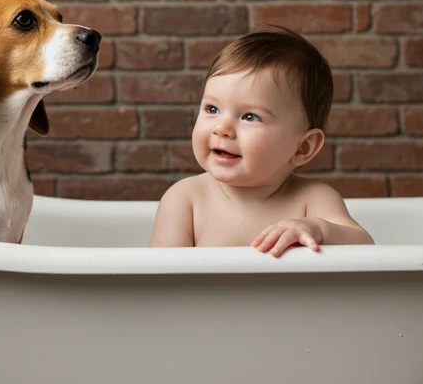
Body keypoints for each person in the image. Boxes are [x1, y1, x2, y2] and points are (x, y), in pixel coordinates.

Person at [148, 28, 374, 256]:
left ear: (303, 147)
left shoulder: (313, 198)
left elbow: (365, 247)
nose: (222, 129)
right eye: (212, 109)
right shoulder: (186, 199)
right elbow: (160, 272)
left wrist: (318, 229)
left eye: (250, 117)